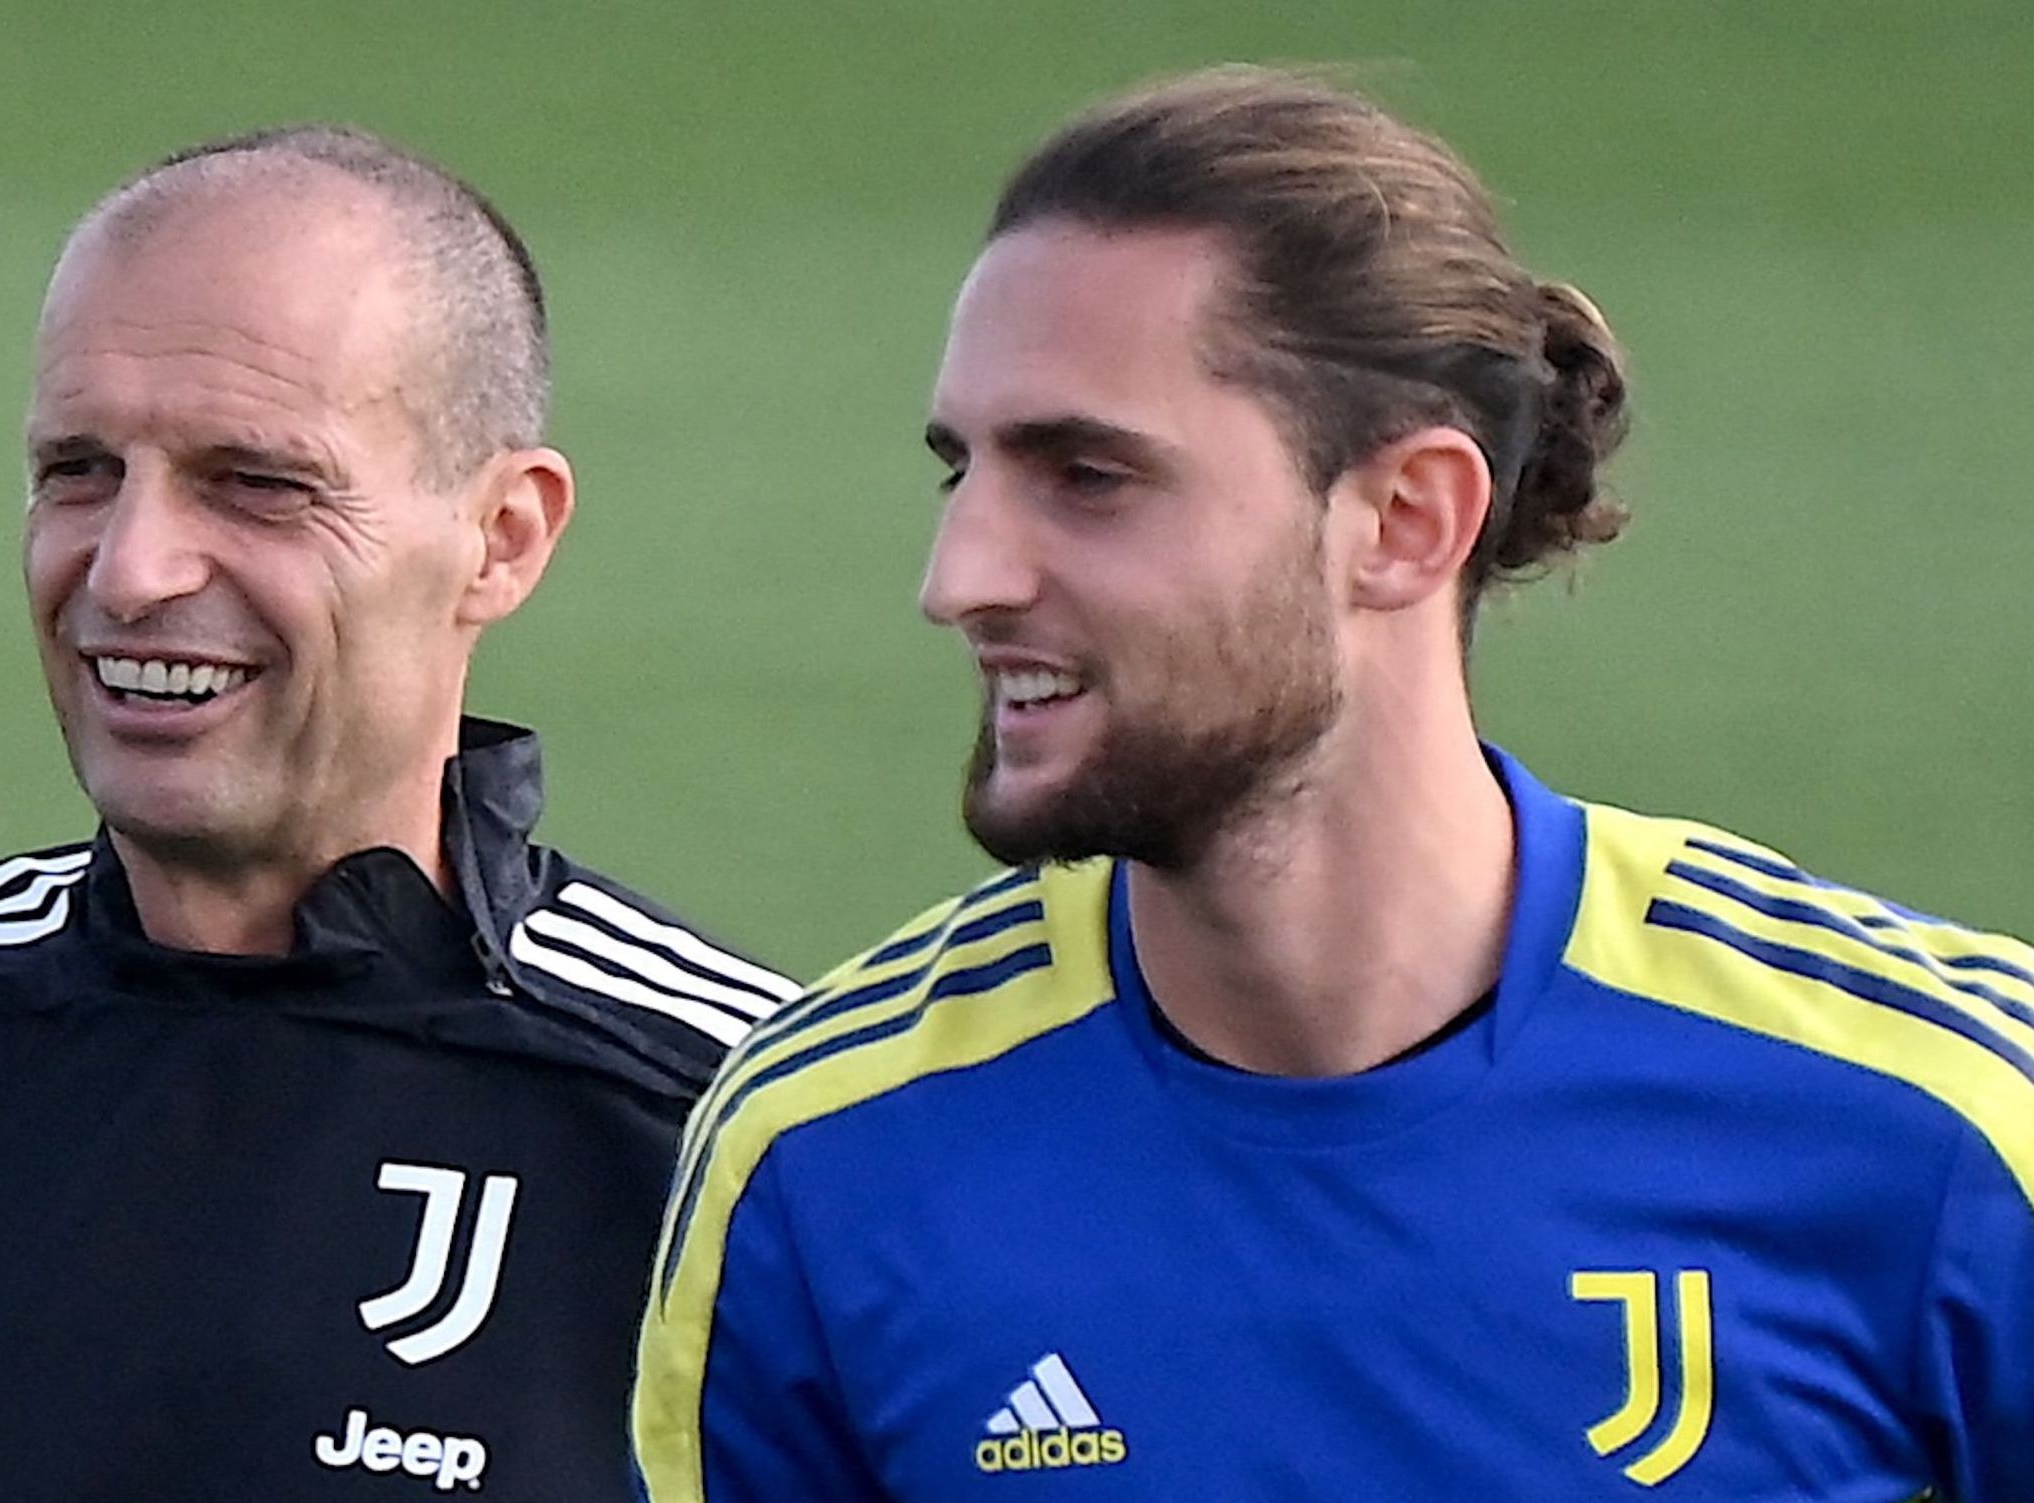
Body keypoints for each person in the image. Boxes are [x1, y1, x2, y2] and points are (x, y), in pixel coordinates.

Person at [634, 67, 2034, 1501]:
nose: (961, 579)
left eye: (1089, 476)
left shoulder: (1946, 1120)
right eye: (963, 474)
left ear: (1405, 521)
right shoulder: (822, 1158)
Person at [0, 126, 793, 1502]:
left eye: (258, 483)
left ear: (503, 537)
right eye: (78, 470)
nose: (133, 568)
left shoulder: (744, 1149)